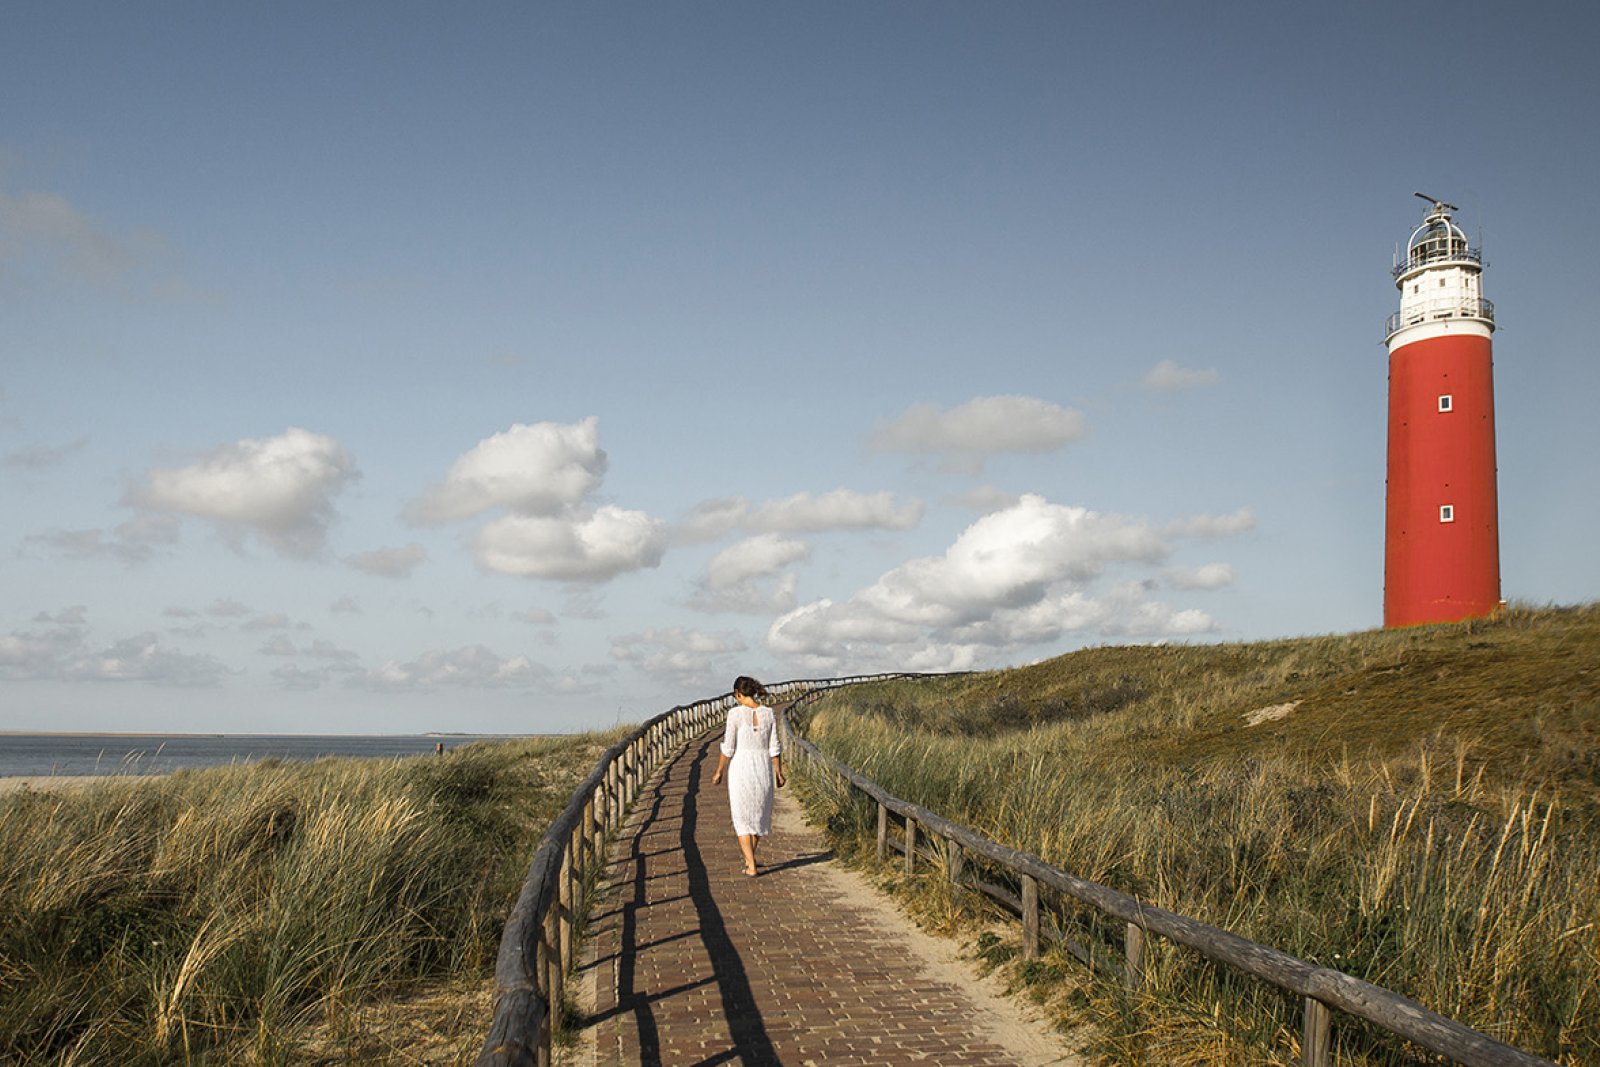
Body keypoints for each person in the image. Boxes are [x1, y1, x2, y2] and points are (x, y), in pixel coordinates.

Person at [711, 675, 785, 876]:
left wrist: (719, 771)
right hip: (763, 767)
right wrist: (779, 772)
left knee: (742, 818)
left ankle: (751, 865)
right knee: (759, 815)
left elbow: (728, 747)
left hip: (741, 767)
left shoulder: (734, 714)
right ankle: (750, 860)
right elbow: (774, 747)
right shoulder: (769, 714)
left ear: (737, 694)